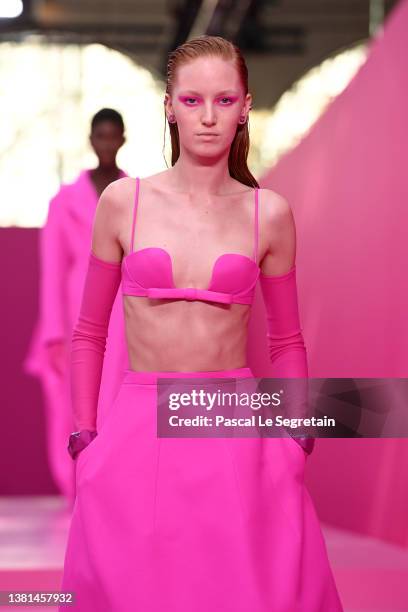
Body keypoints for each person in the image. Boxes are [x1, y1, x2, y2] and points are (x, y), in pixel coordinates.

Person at [58, 37, 343, 611]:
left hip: (236, 428)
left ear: (245, 106)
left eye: (224, 99)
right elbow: (90, 331)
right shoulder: (124, 202)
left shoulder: (270, 213)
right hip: (138, 427)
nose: (208, 116)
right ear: (169, 106)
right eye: (192, 100)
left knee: (245, 594)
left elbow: (286, 339)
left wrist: (295, 437)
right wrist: (85, 437)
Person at [24, 109, 129, 506]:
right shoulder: (64, 201)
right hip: (73, 309)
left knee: (116, 395)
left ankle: (111, 483)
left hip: (122, 310)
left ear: (122, 139)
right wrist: (52, 332)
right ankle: (76, 485)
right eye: (99, 136)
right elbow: (51, 268)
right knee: (70, 397)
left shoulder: (134, 194)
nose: (106, 143)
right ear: (91, 140)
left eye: (112, 136)